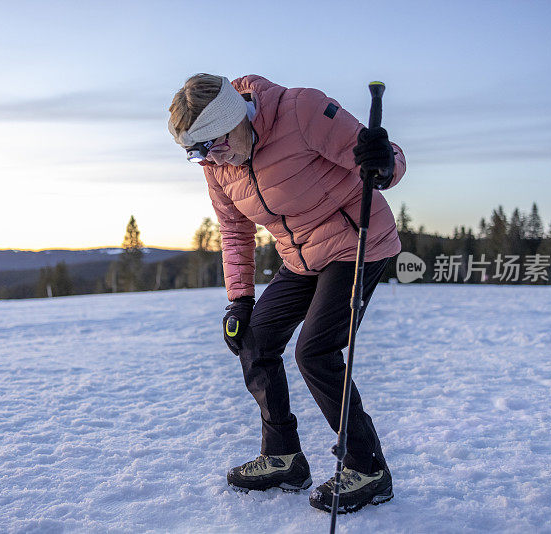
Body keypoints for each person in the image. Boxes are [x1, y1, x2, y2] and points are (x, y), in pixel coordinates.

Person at [167, 74, 406, 514]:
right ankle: (284, 457)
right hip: (300, 257)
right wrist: (239, 299)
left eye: (215, 145)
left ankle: (368, 467)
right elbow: (234, 231)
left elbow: (384, 161)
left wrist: (385, 163)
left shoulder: (301, 110)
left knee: (314, 352)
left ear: (235, 116)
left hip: (356, 244)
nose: (211, 159)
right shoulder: (218, 166)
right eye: (197, 153)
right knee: (253, 338)